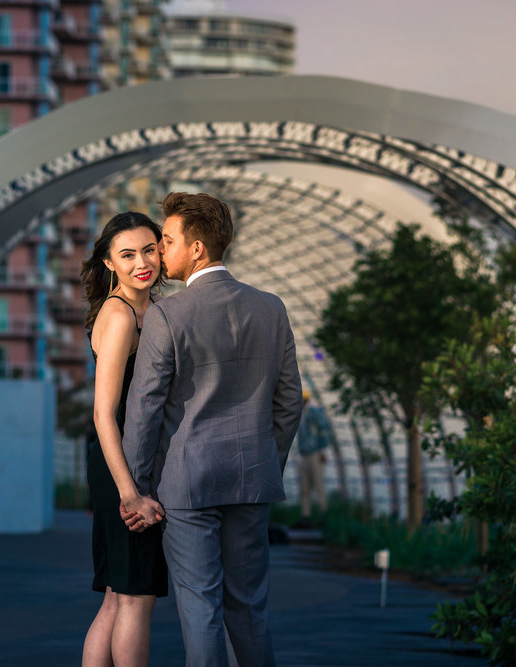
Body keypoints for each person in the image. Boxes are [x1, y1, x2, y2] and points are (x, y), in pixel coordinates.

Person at [122, 192, 303, 667]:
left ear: (196, 249)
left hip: (187, 485)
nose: (159, 252)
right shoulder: (271, 308)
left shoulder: (168, 315)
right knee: (250, 610)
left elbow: (144, 411)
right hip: (251, 481)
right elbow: (288, 403)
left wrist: (137, 491)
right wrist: (266, 461)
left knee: (201, 609)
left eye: (166, 241)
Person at [80, 211, 169, 667]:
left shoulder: (150, 308)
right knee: (135, 597)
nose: (142, 262)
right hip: (122, 466)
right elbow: (103, 413)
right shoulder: (119, 315)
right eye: (128, 254)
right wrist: (129, 492)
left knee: (119, 597)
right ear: (109, 262)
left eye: (150, 249)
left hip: (133, 462)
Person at [294, 390, 330, 528]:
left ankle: (322, 514)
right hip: (304, 454)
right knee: (305, 487)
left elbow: (323, 429)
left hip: (315, 453)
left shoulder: (313, 412)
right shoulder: (301, 414)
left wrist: (322, 450)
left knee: (318, 485)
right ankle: (306, 516)